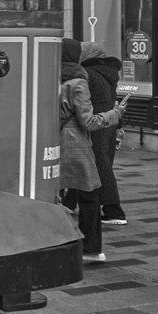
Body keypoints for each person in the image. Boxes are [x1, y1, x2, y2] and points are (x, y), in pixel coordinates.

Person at [59, 37, 127, 265]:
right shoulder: (78, 82)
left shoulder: (51, 77)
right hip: (74, 143)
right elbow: (88, 121)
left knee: (58, 194)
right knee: (89, 194)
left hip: (55, 141)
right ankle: (91, 247)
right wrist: (115, 114)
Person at [80, 42, 129, 226]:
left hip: (96, 122)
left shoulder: (87, 73)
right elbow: (113, 100)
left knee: (100, 165)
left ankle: (113, 210)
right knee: (100, 163)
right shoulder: (108, 73)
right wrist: (118, 124)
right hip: (109, 122)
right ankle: (71, 202)